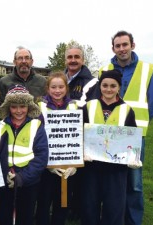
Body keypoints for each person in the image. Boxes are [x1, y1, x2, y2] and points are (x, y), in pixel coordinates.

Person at [99, 30, 153, 225]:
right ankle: (113, 218)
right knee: (111, 181)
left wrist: (135, 124)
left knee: (134, 184)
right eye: (118, 46)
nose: (122, 49)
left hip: (135, 135)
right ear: (113, 48)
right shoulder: (104, 69)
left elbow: (152, 106)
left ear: (132, 45)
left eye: (125, 44)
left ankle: (133, 221)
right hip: (109, 135)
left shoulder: (147, 69)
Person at [81, 70, 139, 225]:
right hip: (91, 166)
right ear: (100, 86)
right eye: (105, 85)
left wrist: (133, 157)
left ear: (119, 87)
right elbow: (79, 132)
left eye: (113, 86)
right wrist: (81, 151)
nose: (108, 89)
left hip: (116, 169)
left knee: (114, 208)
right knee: (89, 205)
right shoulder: (88, 106)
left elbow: (132, 136)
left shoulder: (127, 110)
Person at [0, 84, 49, 225]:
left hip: (28, 181)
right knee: (4, 216)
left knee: (25, 217)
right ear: (8, 107)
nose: (18, 111)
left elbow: (41, 157)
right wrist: (5, 173)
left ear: (29, 107)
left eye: (22, 106)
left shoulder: (36, 125)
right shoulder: (1, 126)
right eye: (14, 107)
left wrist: (22, 177)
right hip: (5, 179)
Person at [35, 71, 77, 225]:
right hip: (46, 166)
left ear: (66, 88)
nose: (57, 90)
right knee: (44, 202)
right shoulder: (39, 107)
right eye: (53, 87)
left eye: (61, 87)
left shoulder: (75, 107)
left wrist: (74, 163)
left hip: (67, 164)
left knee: (63, 202)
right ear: (48, 88)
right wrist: (46, 164)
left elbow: (80, 135)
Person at [64, 44, 99, 220]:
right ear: (65, 60)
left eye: (77, 57)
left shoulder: (91, 82)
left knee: (80, 176)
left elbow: (91, 111)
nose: (73, 60)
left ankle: (77, 209)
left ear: (83, 60)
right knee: (63, 173)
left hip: (81, 134)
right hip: (61, 135)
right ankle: (65, 207)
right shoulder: (61, 79)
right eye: (70, 57)